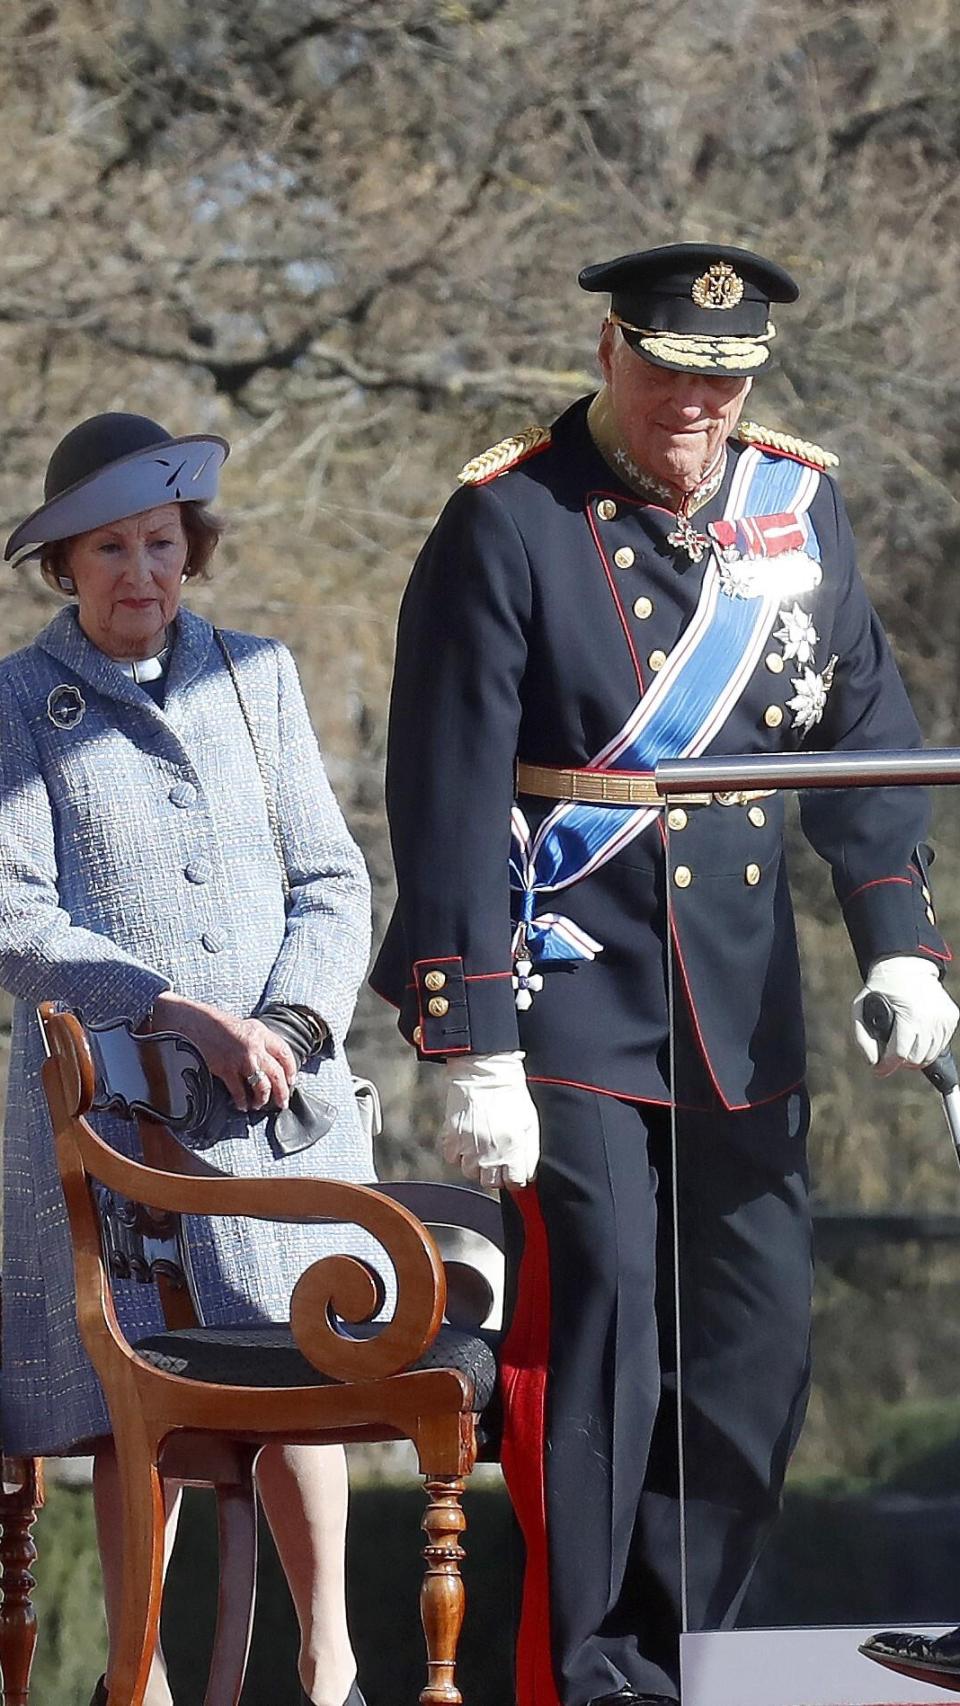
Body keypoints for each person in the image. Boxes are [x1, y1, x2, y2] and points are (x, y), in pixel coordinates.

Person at [370, 243, 959, 1706]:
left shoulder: (796, 502)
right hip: (573, 991)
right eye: (670, 373)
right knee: (607, 1338)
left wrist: (901, 942)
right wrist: (469, 1033)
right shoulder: (509, 518)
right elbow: (443, 785)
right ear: (612, 350)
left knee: (757, 1357)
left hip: (742, 1001)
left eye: (725, 381)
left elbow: (862, 733)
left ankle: (687, 1650)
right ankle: (598, 1673)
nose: (697, 405)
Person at [0, 412, 370, 1706]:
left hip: (275, 1107)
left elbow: (334, 878)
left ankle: (332, 1664)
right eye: (109, 547)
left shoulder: (260, 676)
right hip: (112, 1113)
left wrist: (296, 1024)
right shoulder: (14, 699)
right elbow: (14, 911)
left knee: (299, 1371)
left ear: (190, 548)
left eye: (159, 542)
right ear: (64, 565)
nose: (139, 572)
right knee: (133, 1400)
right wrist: (173, 1009)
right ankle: (137, 1675)